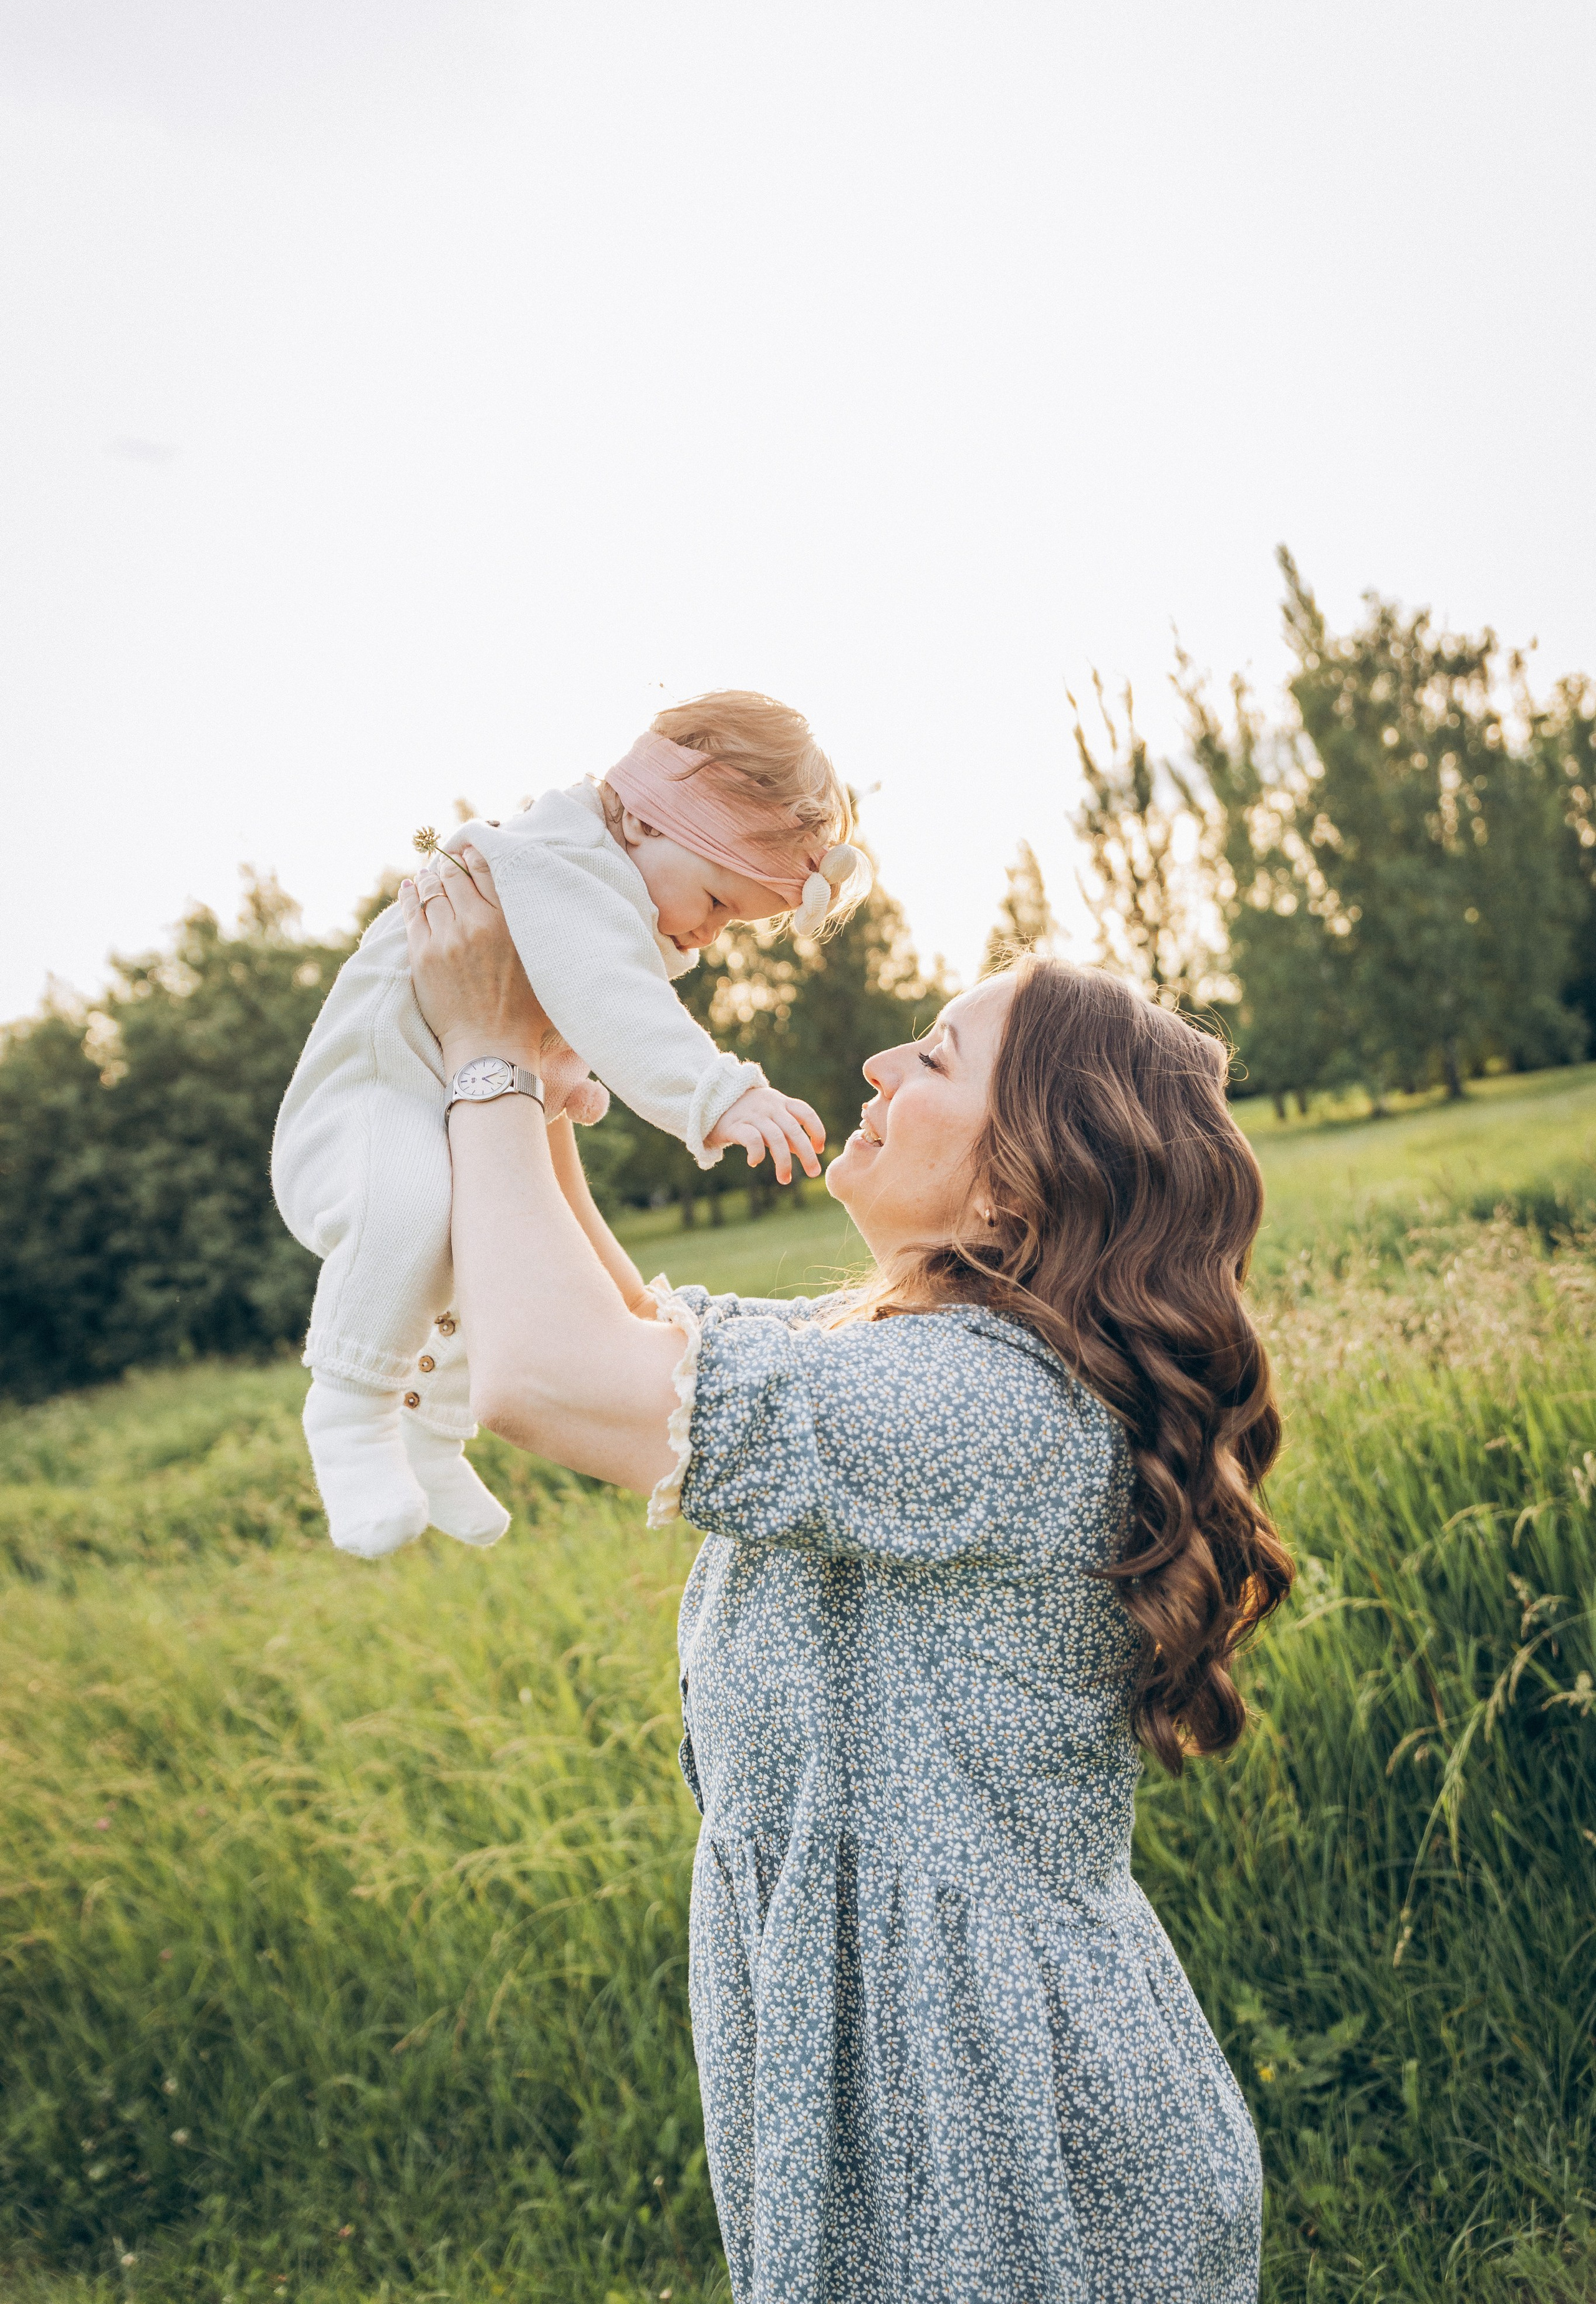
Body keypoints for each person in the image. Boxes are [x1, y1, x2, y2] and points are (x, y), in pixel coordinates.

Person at [400, 842, 1294, 2304]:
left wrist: (484, 1062)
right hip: (903, 2044)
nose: (879, 1062)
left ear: (1015, 1189)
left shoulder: (987, 1404)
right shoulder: (914, 1358)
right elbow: (633, 1338)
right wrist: (549, 1093)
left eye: (933, 1056)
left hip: (986, 2102)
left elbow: (546, 1380)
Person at [271, 691, 863, 1558]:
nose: (708, 934)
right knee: (414, 1211)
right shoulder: (559, 862)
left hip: (430, 1099)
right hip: (366, 1104)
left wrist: (555, 1077)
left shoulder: (591, 875)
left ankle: (431, 1433)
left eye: (732, 922)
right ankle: (351, 1414)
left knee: (488, 1246)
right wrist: (718, 1093)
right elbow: (610, 994)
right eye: (716, 901)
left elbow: (566, 994)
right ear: (652, 821)